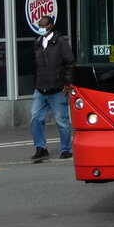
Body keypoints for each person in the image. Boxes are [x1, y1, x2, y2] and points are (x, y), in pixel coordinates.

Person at [30, 15, 75, 163]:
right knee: (35, 118)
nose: (40, 28)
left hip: (57, 89)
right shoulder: (37, 41)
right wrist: (36, 82)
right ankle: (40, 148)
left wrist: (67, 83)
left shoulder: (61, 42)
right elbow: (36, 66)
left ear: (50, 26)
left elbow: (70, 63)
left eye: (43, 25)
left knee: (61, 121)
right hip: (40, 88)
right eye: (39, 25)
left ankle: (66, 150)